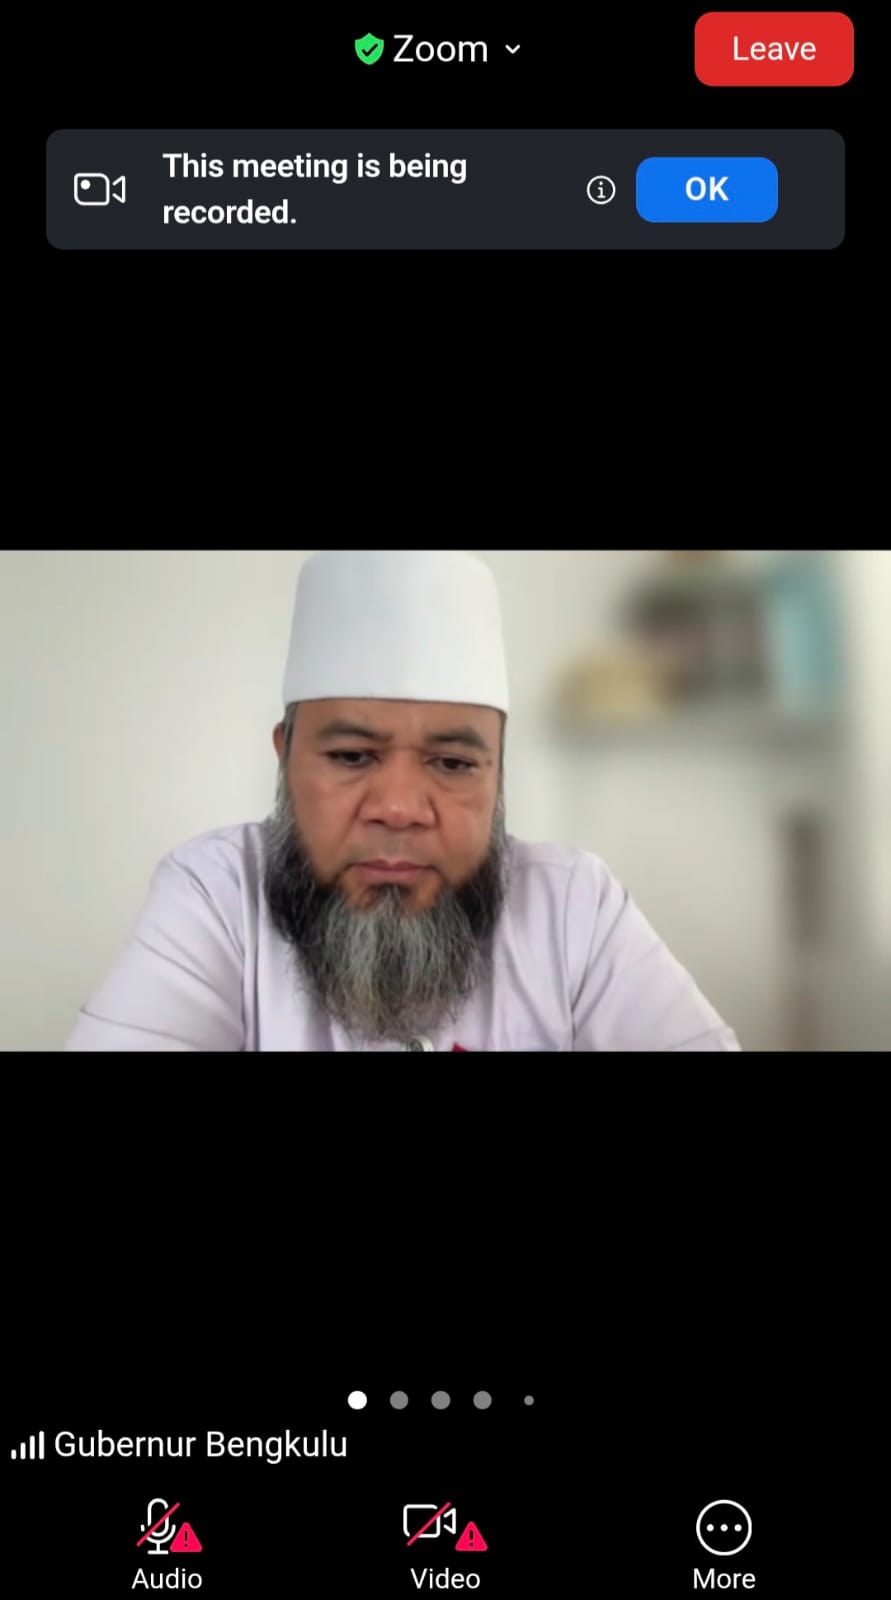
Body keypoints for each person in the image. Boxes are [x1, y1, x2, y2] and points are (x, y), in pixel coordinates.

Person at [65, 550, 741, 1052]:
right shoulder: (217, 892)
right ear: (285, 757)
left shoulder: (573, 907)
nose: (398, 807)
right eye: (352, 756)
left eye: (452, 763)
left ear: (497, 775)